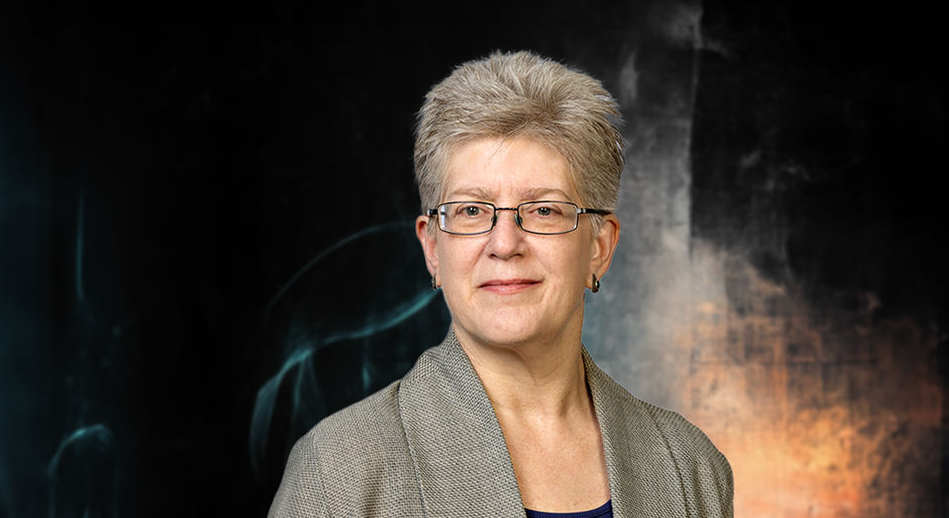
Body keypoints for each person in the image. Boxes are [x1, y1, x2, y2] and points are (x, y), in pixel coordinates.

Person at [269, 51, 733, 517]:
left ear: (599, 246)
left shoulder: (691, 467)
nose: (505, 244)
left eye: (544, 210)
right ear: (433, 248)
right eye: (471, 210)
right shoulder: (337, 474)